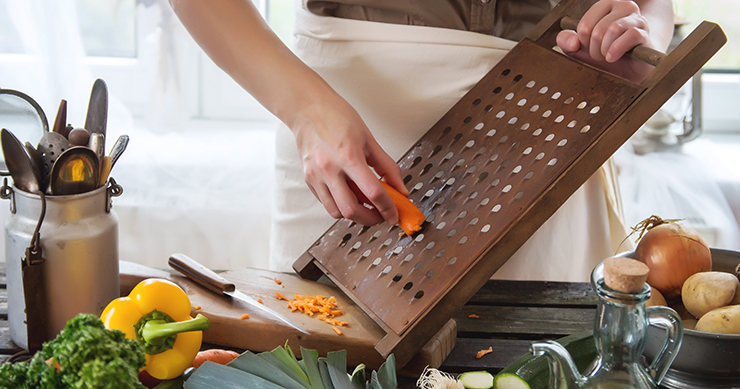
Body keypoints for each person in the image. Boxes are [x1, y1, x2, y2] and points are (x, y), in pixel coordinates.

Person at [169, 0, 674, 281]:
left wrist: (640, 31)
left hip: (547, 134)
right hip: (348, 141)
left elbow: (648, 3)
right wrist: (306, 113)